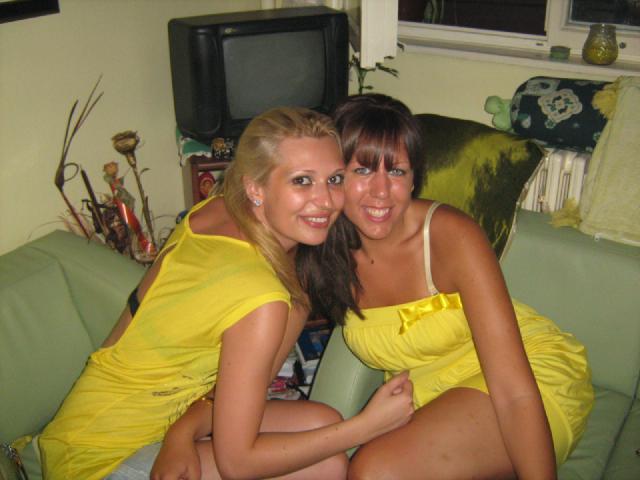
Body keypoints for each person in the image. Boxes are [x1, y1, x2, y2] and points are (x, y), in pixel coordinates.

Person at [38, 106, 414, 480]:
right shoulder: (263, 298)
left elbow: (225, 392)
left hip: (123, 419)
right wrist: (367, 426)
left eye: (334, 179)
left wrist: (182, 433)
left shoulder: (215, 211)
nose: (327, 201)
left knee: (322, 421)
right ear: (255, 188)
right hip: (97, 456)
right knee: (327, 465)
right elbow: (238, 463)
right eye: (302, 181)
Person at [303, 94, 594, 479]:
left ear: (414, 178)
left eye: (397, 171)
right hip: (433, 401)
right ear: (334, 176)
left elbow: (514, 390)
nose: (381, 192)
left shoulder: (450, 235)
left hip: (528, 380)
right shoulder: (322, 247)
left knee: (374, 471)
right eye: (363, 170)